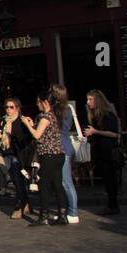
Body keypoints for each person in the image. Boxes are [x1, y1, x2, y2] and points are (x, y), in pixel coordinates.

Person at [22, 92, 66, 225]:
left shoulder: (46, 117)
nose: (37, 104)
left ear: (45, 102)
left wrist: (27, 124)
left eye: (38, 101)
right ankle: (62, 214)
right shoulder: (55, 115)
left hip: (48, 154)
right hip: (58, 154)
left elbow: (37, 135)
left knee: (44, 185)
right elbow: (45, 132)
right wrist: (33, 124)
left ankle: (44, 216)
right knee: (58, 185)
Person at [0, 98, 36, 219]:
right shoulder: (3, 121)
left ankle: (19, 206)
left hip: (20, 154)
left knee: (18, 181)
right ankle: (26, 203)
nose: (8, 110)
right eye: (7, 107)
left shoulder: (22, 121)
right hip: (8, 153)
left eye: (11, 107)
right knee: (17, 181)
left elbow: (29, 138)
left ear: (17, 108)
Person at [83, 89, 122, 215]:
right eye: (87, 99)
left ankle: (113, 205)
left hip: (109, 151)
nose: (88, 102)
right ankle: (111, 205)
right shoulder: (95, 115)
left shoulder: (108, 115)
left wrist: (95, 132)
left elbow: (114, 133)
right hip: (101, 151)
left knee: (110, 178)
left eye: (90, 99)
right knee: (107, 179)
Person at [49, 85, 81, 224]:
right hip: (66, 146)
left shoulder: (58, 110)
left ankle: (73, 212)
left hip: (61, 148)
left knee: (66, 182)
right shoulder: (67, 108)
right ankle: (66, 210)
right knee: (63, 182)